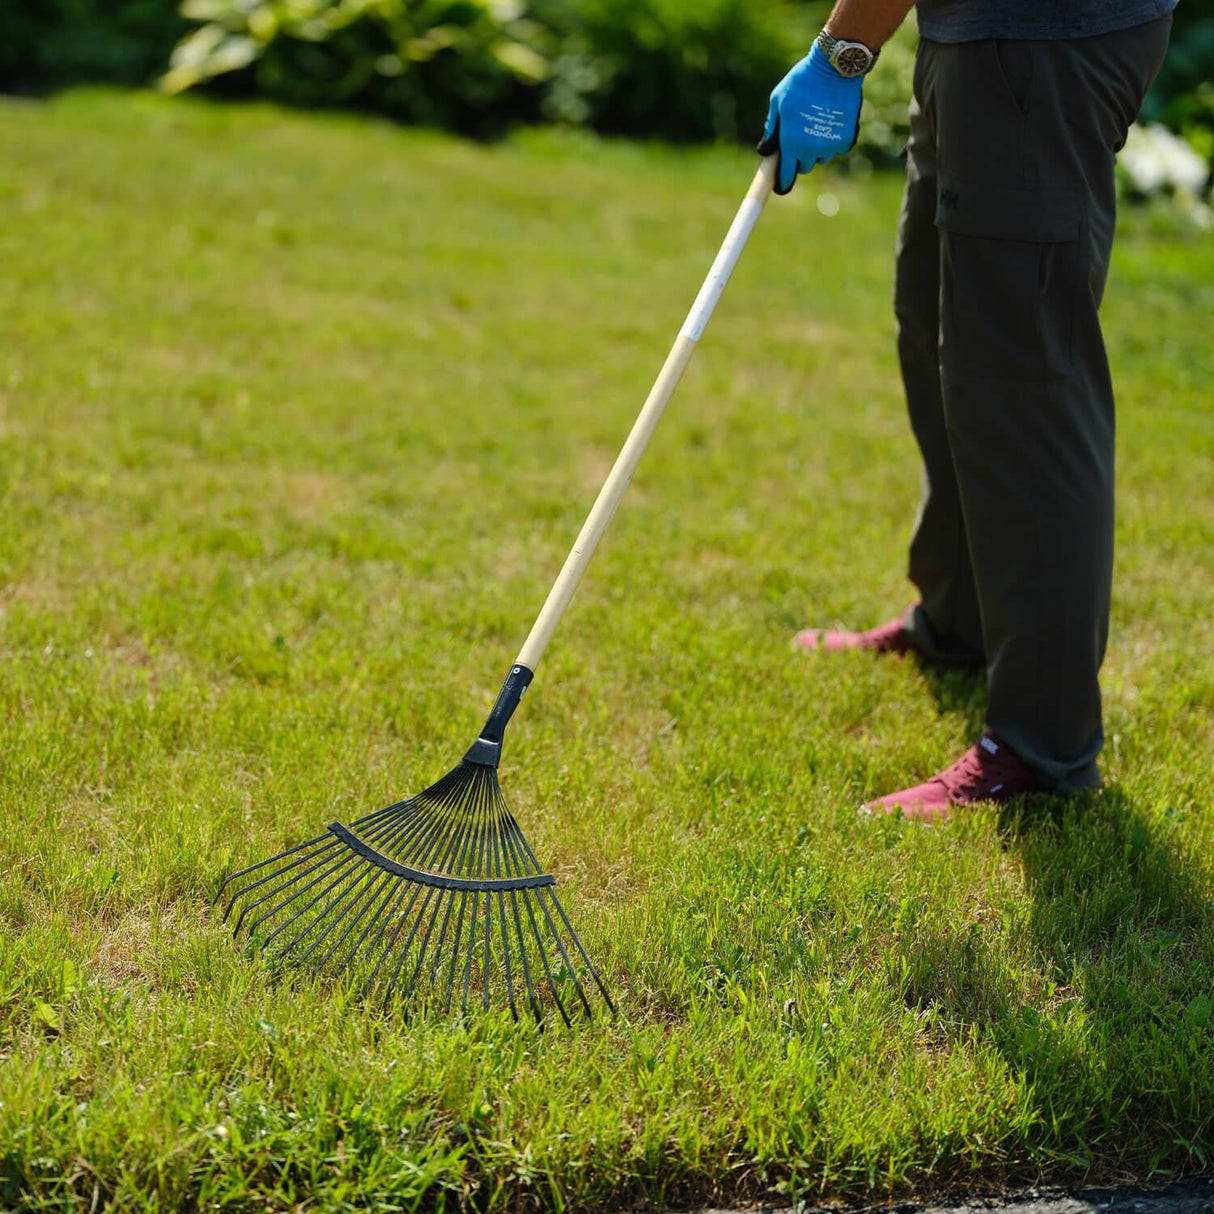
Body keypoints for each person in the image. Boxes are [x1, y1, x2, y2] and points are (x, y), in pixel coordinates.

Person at [758, 0, 1176, 821]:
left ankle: (1040, 744)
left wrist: (844, 50)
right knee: (935, 324)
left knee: (1022, 386)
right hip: (976, 34)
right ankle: (960, 621)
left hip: (1042, 44)